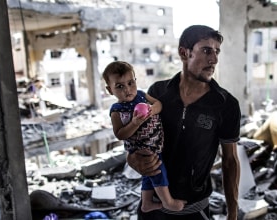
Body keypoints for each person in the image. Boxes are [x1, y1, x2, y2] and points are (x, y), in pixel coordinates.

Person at [126, 25, 241, 220]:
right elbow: (138, 137)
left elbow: (230, 162)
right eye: (206, 50)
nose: (214, 59)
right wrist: (132, 159)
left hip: (194, 211)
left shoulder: (225, 104)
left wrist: (233, 213)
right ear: (184, 53)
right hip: (152, 210)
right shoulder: (158, 93)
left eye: (216, 52)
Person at [102, 61, 186, 212]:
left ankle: (146, 202)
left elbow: (159, 104)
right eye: (119, 86)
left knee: (147, 175)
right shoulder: (117, 111)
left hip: (155, 141)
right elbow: (120, 134)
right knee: (156, 170)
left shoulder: (141, 95)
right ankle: (168, 202)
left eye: (130, 82)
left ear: (135, 80)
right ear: (110, 90)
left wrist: (152, 110)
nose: (127, 89)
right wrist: (134, 123)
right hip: (141, 148)